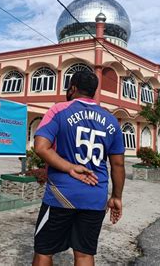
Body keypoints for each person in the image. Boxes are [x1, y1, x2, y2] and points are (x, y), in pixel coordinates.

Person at [32, 71, 125, 266]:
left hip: (61, 194)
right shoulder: (112, 121)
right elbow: (118, 164)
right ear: (94, 91)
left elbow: (41, 147)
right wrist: (116, 197)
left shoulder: (58, 110)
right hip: (95, 196)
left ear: (72, 88)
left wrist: (70, 167)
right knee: (84, 254)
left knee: (44, 251)